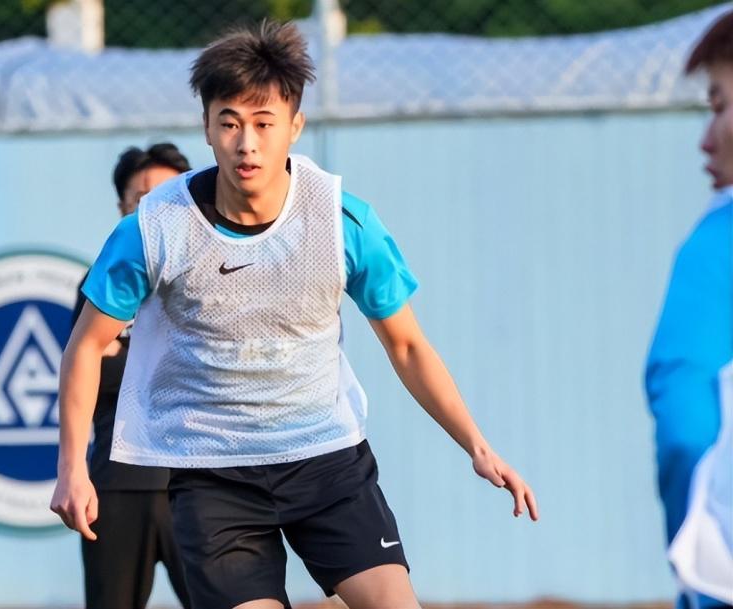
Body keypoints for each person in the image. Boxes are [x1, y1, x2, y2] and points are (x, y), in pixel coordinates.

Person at [53, 21, 538, 609]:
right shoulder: (154, 229)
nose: (246, 144)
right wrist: (72, 467)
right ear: (206, 127)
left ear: (295, 126)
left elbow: (408, 346)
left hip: (326, 462)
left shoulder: (343, 223)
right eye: (229, 122)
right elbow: (85, 346)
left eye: (264, 123)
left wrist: (477, 445)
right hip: (213, 474)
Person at [70, 143, 193, 609]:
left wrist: (126, 349)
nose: (154, 210)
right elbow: (88, 373)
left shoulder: (215, 276)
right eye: (141, 199)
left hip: (201, 485)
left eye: (167, 196)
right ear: (122, 208)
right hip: (117, 485)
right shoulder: (103, 283)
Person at [645, 9, 733, 609]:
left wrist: (701, 564)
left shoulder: (719, 244)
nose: (705, 138)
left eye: (720, 104)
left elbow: (687, 429)